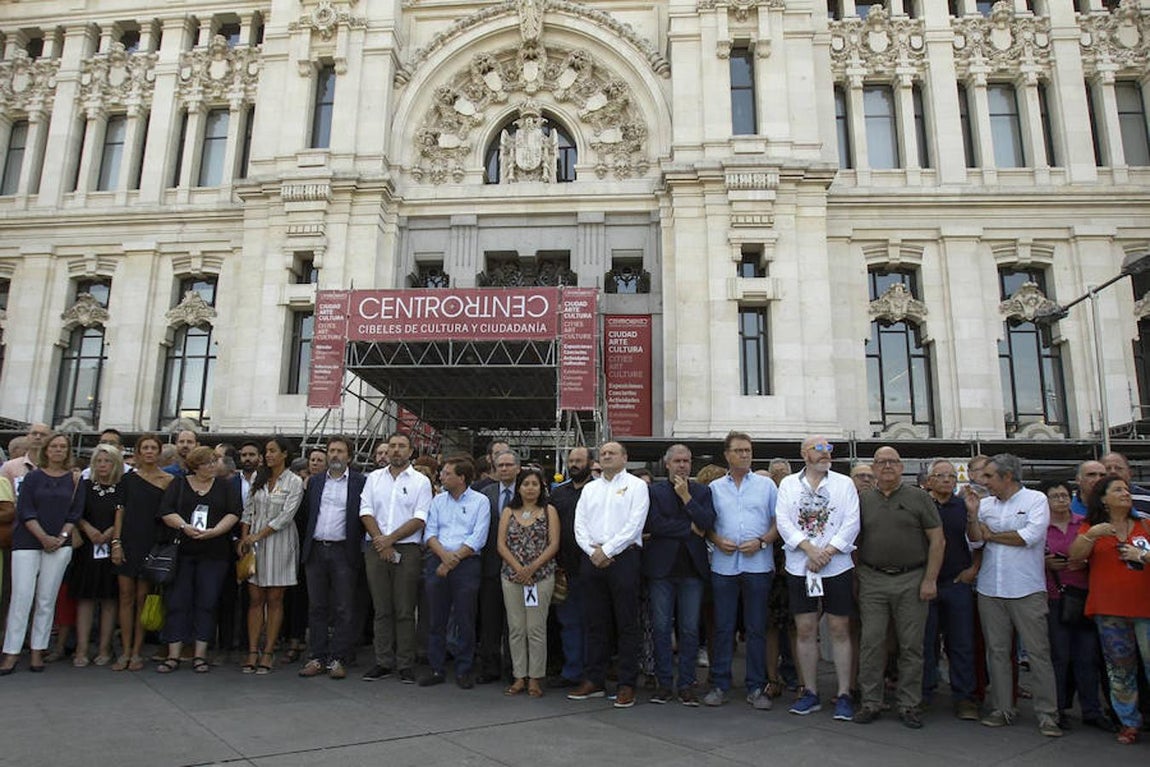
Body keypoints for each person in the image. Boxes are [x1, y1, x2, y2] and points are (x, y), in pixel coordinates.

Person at [965, 453, 1062, 737]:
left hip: (1027, 589)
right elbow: (974, 539)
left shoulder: (1035, 500)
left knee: (1038, 653)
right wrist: (972, 516)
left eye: (990, 476)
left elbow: (1028, 537)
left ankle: (1048, 714)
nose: (985, 482)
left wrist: (992, 535)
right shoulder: (984, 504)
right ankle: (1002, 708)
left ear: (1007, 476)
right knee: (996, 652)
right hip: (990, 588)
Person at [853, 447, 943, 729]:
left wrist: (930, 579)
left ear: (902, 467)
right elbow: (853, 540)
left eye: (892, 462)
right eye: (881, 462)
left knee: (911, 645)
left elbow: (938, 541)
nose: (887, 466)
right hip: (872, 579)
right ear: (874, 469)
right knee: (871, 643)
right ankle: (871, 701)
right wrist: (858, 576)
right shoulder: (863, 500)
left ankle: (909, 704)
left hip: (912, 579)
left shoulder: (919, 498)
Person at [776, 435, 860, 719]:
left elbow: (852, 521)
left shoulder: (844, 483)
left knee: (839, 629)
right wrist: (810, 549)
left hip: (836, 566)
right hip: (801, 566)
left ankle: (845, 693)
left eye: (829, 449)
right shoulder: (788, 484)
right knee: (805, 629)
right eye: (819, 449)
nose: (826, 454)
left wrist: (828, 551)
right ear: (804, 454)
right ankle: (809, 691)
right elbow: (783, 521)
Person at [1069, 474, 1150, 744]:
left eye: (1126, 489)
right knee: (1120, 669)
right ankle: (1128, 722)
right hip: (1110, 609)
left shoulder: (1145, 525)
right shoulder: (1091, 527)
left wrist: (1142, 556)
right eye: (1118, 490)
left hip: (1146, 608)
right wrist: (1091, 535)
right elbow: (1075, 558)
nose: (1125, 493)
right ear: (1103, 499)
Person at [568, 441, 649, 708]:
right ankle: (594, 680)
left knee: (626, 623)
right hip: (592, 558)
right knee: (594, 622)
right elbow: (579, 524)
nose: (606, 456)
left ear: (625, 457)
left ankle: (626, 684)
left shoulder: (637, 486)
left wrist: (609, 550)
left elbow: (635, 523)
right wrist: (593, 551)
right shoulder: (590, 488)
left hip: (624, 557)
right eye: (602, 454)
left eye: (612, 453)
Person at [703, 433, 776, 710]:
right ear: (727, 455)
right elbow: (707, 523)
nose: (745, 455)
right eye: (739, 450)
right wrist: (716, 539)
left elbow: (778, 522)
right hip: (723, 565)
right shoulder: (714, 488)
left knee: (756, 627)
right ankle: (720, 683)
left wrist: (762, 541)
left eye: (748, 450)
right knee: (723, 627)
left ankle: (756, 686)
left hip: (757, 564)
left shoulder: (766, 486)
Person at [0, 433, 83, 674]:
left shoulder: (74, 480)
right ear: (46, 450)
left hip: (60, 544)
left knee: (46, 599)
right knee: (21, 597)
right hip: (28, 541)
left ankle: (38, 649)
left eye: (63, 447)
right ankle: (11, 652)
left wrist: (61, 537)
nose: (58, 451)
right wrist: (43, 537)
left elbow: (75, 512)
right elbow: (25, 510)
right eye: (54, 446)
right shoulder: (33, 478)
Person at [359, 432, 433, 683]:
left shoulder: (420, 481)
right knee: (381, 609)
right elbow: (366, 511)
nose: (396, 450)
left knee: (404, 609)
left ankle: (405, 663)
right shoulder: (373, 479)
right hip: (376, 547)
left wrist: (390, 540)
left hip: (407, 550)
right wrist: (381, 541)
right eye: (392, 446)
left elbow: (420, 517)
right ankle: (383, 661)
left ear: (410, 451)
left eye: (402, 446)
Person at [644, 444, 715, 706]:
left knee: (689, 630)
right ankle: (663, 684)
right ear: (667, 464)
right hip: (661, 569)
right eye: (677, 461)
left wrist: (687, 498)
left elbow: (707, 523)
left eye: (686, 461)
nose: (682, 465)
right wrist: (689, 528)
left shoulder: (702, 491)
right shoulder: (654, 491)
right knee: (661, 629)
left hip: (692, 571)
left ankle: (686, 684)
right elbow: (654, 524)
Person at [1043, 479, 1112, 732]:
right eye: (1054, 496)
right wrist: (1046, 564)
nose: (1061, 500)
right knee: (1060, 657)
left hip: (1083, 595)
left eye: (1064, 495)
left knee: (1087, 656)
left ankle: (1091, 710)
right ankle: (1058, 708)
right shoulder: (1041, 527)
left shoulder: (1083, 523)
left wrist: (1084, 561)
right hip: (1054, 596)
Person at [298, 436, 366, 680]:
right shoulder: (314, 482)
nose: (335, 455)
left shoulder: (360, 482)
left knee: (343, 607)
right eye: (332, 451)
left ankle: (338, 657)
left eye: (340, 451)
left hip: (343, 551)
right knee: (317, 606)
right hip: (316, 549)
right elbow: (306, 514)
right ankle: (316, 656)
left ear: (349, 456)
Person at [421, 456, 489, 688]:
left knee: (465, 619)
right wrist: (443, 557)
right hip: (437, 560)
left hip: (466, 564)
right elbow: (429, 533)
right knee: (436, 619)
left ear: (461, 478)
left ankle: (463, 669)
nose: (442, 476)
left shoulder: (480, 501)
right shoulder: (438, 501)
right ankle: (437, 668)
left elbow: (478, 537)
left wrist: (452, 561)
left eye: (447, 473)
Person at [921, 459, 981, 721]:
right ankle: (924, 692)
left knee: (961, 642)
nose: (946, 480)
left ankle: (964, 697)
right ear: (929, 481)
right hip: (926, 582)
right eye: (940, 476)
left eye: (950, 477)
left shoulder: (962, 505)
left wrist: (972, 514)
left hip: (957, 582)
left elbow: (977, 540)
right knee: (925, 641)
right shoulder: (922, 505)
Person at [239, 437, 304, 675]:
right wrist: (245, 538)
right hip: (254, 544)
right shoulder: (259, 478)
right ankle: (252, 650)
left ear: (284, 454)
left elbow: (286, 516)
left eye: (272, 451)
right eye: (266, 451)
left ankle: (268, 652)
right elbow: (248, 510)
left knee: (275, 598)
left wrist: (259, 535)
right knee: (255, 598)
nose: (268, 455)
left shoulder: (295, 481)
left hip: (280, 542)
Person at [497, 466, 560, 698]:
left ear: (541, 487)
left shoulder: (548, 510)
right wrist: (519, 569)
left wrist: (532, 568)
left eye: (534, 484)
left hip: (540, 577)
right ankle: (518, 677)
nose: (530, 488)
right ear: (519, 488)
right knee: (516, 628)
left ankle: (535, 678)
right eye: (526, 484)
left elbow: (554, 544)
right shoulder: (509, 511)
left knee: (535, 628)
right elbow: (500, 545)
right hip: (511, 577)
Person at [110, 434, 172, 671]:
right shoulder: (127, 479)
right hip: (128, 541)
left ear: (159, 452)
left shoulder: (168, 480)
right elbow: (120, 511)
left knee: (142, 598)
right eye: (144, 447)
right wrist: (116, 542)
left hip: (152, 543)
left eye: (153, 448)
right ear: (137, 452)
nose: (148, 451)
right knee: (125, 597)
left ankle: (137, 651)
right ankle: (124, 651)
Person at [70, 444, 125, 667]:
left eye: (107, 461)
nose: (102, 465)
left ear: (116, 464)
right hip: (87, 546)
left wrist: (111, 532)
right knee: (85, 599)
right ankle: (82, 649)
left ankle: (104, 648)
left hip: (112, 546)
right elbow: (75, 512)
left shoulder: (123, 487)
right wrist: (87, 528)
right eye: (99, 461)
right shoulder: (84, 485)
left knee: (109, 599)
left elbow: (125, 514)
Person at [548, 446, 594, 688]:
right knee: (568, 622)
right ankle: (571, 671)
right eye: (571, 460)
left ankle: (592, 672)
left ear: (590, 463)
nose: (574, 464)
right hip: (564, 568)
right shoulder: (558, 494)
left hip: (592, 567)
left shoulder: (597, 490)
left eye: (579, 460)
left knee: (592, 622)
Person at [478, 449, 520, 683]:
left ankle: (515, 668)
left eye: (508, 465)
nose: (503, 469)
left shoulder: (527, 493)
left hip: (520, 567)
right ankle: (490, 667)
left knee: (515, 621)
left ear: (517, 468)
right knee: (490, 620)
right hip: (490, 566)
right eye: (500, 465)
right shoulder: (486, 494)